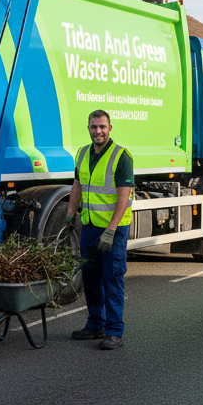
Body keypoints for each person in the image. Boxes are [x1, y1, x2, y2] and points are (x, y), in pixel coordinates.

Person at [64, 109, 133, 350]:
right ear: (89, 128)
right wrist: (69, 215)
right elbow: (77, 186)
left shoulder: (121, 156)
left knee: (112, 278)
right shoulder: (82, 153)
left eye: (102, 127)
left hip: (113, 230)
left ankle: (114, 331)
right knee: (91, 278)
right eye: (94, 127)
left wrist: (111, 229)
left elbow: (124, 196)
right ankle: (96, 324)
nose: (98, 131)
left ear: (110, 128)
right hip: (90, 226)